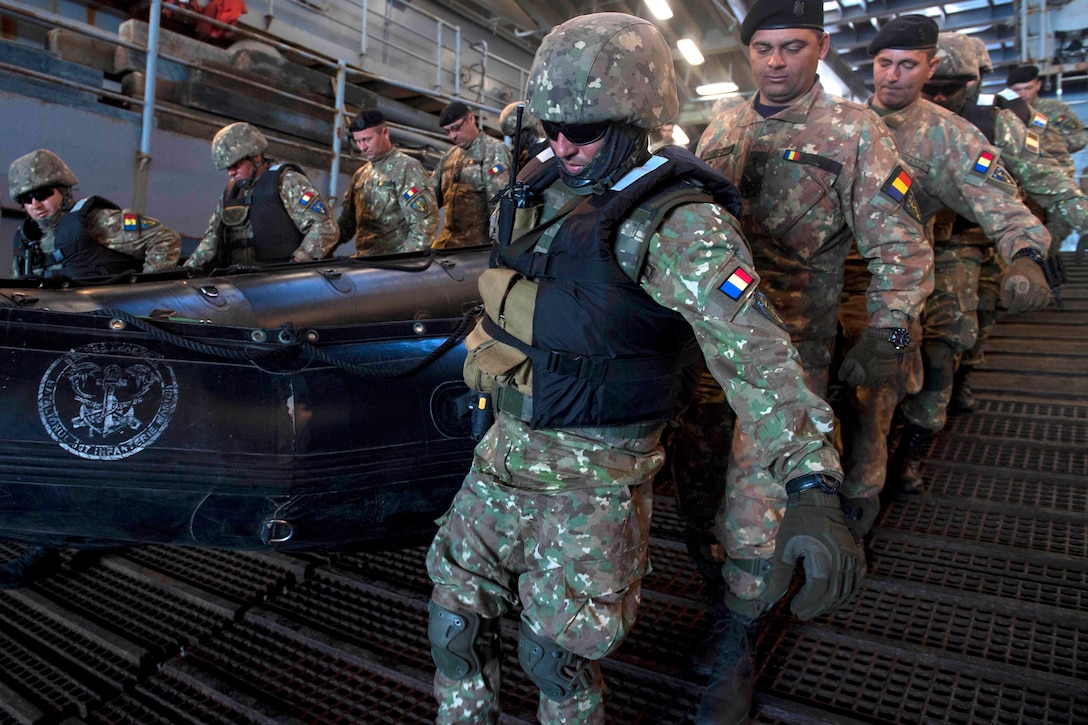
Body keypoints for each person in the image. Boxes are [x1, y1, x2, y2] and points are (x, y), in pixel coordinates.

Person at [425, 13, 861, 725]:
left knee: (553, 660)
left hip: (591, 481)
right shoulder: (544, 181)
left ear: (636, 119)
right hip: (503, 454)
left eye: (584, 130)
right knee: (452, 628)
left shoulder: (677, 224)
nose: (561, 145)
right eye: (550, 127)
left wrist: (812, 481)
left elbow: (756, 352)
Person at [684, 3, 931, 716]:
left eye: (792, 47)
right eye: (763, 48)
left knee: (756, 510)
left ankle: (737, 645)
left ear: (820, 47)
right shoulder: (725, 123)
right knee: (701, 500)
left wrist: (887, 331)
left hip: (791, 355)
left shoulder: (856, 131)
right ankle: (724, 606)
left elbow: (901, 245)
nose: (776, 62)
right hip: (706, 350)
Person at [844, 16, 1052, 512]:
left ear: (929, 67)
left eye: (908, 65)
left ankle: (866, 497)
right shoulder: (844, 123)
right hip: (834, 285)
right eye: (884, 64)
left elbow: (1003, 203)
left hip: (903, 287)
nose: (893, 76)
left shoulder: (953, 138)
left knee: (886, 385)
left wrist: (1025, 255)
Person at [899, 31, 1088, 489]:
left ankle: (912, 449)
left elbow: (1044, 176)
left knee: (950, 341)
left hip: (963, 246)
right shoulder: (886, 117)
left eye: (953, 88)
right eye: (933, 87)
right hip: (895, 250)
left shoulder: (994, 123)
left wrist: (1080, 216)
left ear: (975, 83)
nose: (941, 97)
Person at [184, 122, 338, 269]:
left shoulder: (286, 181)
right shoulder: (232, 192)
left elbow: (325, 226)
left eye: (236, 165)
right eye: (228, 168)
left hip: (283, 281)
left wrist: (299, 260)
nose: (231, 173)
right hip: (240, 282)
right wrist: (188, 270)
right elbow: (211, 240)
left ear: (256, 157)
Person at [9, 148, 180, 279]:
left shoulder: (96, 222)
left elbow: (164, 238)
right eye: (26, 198)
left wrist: (145, 294)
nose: (35, 204)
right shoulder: (27, 242)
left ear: (63, 190)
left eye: (42, 194)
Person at [336, 109, 438, 256]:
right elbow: (346, 224)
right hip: (364, 261)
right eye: (358, 141)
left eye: (367, 140)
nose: (362, 147)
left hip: (395, 266)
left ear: (385, 133)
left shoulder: (407, 168)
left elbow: (425, 225)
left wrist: (402, 260)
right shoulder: (361, 175)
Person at [430, 100, 511, 249]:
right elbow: (431, 199)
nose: (453, 136)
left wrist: (498, 248)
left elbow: (500, 205)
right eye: (448, 131)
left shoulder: (493, 151)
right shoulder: (449, 157)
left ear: (471, 119)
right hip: (447, 243)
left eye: (456, 128)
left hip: (477, 247)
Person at [1006, 64, 1087, 176]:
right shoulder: (1005, 114)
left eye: (1028, 88)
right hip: (1020, 177)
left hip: (1054, 176)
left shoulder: (1056, 109)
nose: (1023, 94)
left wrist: (1047, 147)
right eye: (1017, 90)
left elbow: (1079, 139)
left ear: (1038, 85)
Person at [499, 101, 547, 175]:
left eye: (514, 135)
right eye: (511, 136)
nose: (513, 140)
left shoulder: (545, 151)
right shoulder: (515, 156)